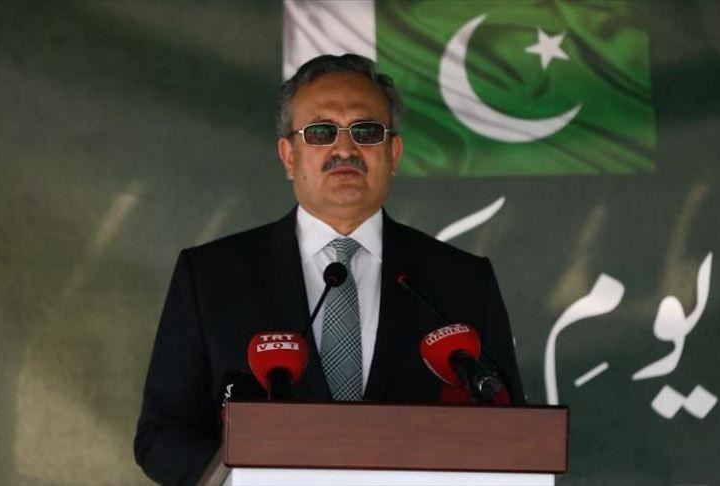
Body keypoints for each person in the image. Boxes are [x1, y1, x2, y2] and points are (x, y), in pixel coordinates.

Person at [133, 54, 524, 485]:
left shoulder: (463, 281)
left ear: (393, 153)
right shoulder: (211, 277)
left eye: (365, 131)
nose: (344, 150)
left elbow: (512, 430)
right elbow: (162, 435)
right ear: (289, 156)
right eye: (321, 132)